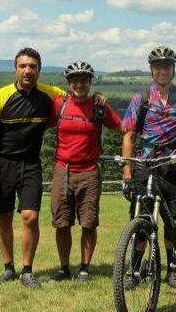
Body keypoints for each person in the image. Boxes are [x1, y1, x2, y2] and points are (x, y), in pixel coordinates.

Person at [121, 45, 176, 288]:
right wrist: (127, 170)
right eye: (158, 67)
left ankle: (171, 269)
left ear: (173, 69)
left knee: (173, 221)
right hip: (146, 164)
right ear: (151, 70)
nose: (162, 71)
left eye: (167, 66)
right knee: (142, 218)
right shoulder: (141, 98)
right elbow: (128, 135)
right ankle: (134, 270)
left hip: (175, 165)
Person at [0, 47, 65, 288]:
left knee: (30, 217)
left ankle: (27, 271)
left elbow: (75, 95)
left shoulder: (49, 94)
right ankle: (9, 268)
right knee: (4, 216)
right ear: (16, 69)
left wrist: (98, 97)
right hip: (2, 164)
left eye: (33, 66)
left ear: (39, 70)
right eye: (23, 66)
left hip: (30, 164)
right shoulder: (0, 97)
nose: (28, 70)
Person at [48, 61, 123, 284]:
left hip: (89, 171)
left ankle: (84, 268)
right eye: (75, 80)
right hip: (63, 170)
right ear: (68, 83)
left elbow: (122, 127)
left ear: (90, 82)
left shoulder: (99, 106)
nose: (80, 84)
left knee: (89, 223)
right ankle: (64, 268)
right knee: (62, 223)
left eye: (84, 80)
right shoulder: (58, 105)